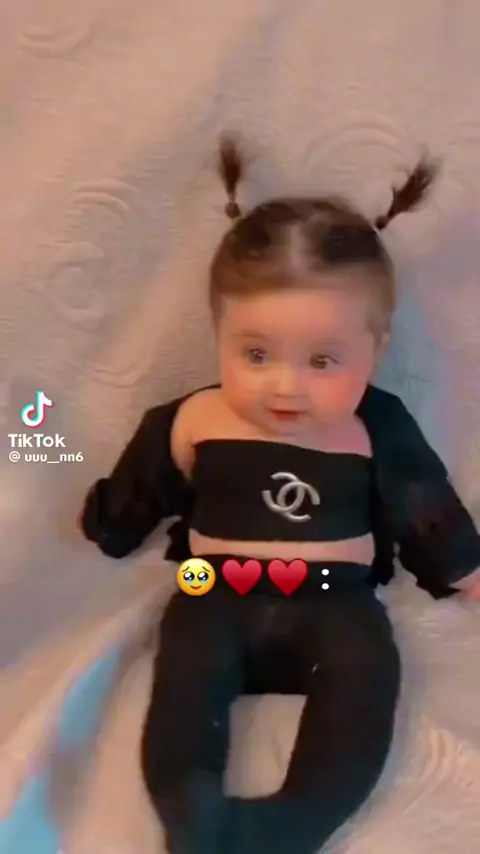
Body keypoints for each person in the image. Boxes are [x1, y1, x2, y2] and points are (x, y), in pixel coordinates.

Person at [79, 137, 480, 854]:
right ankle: (190, 812)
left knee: (364, 682)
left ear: (376, 348)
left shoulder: (376, 427)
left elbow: (424, 502)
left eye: (323, 359)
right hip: (211, 592)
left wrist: (465, 568)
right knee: (184, 681)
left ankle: (294, 822)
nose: (285, 385)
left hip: (335, 602)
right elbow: (143, 485)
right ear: (219, 332)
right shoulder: (194, 419)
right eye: (256, 353)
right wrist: (113, 523)